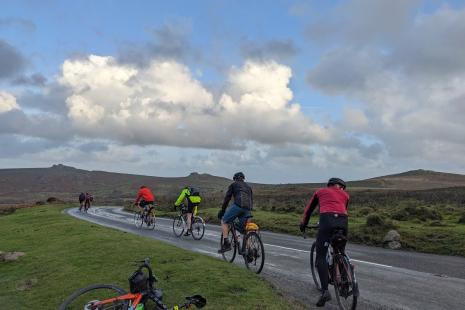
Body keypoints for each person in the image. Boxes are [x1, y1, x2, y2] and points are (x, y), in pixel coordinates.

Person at [300, 178, 349, 307]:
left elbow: (309, 210)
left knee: (321, 256)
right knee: (341, 251)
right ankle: (346, 282)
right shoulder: (345, 195)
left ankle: (325, 291)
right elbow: (342, 210)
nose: (342, 190)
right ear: (340, 186)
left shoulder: (320, 192)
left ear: (329, 185)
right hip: (343, 223)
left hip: (326, 222)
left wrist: (303, 224)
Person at [217, 172, 253, 253]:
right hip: (248, 209)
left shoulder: (234, 185)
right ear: (243, 178)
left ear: (235, 179)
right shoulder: (248, 187)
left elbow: (227, 199)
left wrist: (223, 211)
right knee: (244, 231)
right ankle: (251, 251)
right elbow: (251, 200)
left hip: (238, 206)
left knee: (224, 220)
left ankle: (226, 244)